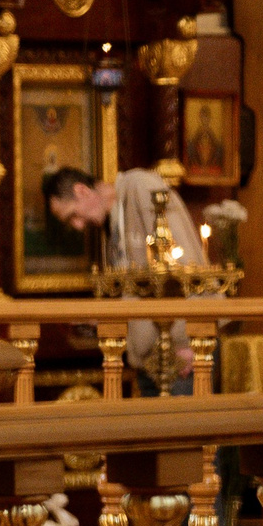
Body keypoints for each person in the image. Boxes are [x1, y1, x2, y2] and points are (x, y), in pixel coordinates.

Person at [43, 165, 204, 393]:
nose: (78, 226)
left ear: (82, 191)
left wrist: (187, 342)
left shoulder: (140, 186)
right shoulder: (111, 224)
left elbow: (182, 265)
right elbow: (141, 289)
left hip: (180, 355)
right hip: (150, 357)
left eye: (73, 215)